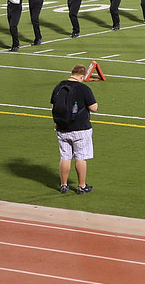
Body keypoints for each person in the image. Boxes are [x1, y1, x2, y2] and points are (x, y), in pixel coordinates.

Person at [51, 64, 98, 194]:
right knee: (80, 157)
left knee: (65, 157)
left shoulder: (59, 86)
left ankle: (63, 185)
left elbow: (54, 106)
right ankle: (81, 186)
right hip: (80, 128)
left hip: (62, 127)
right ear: (82, 76)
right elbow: (93, 107)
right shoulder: (84, 89)